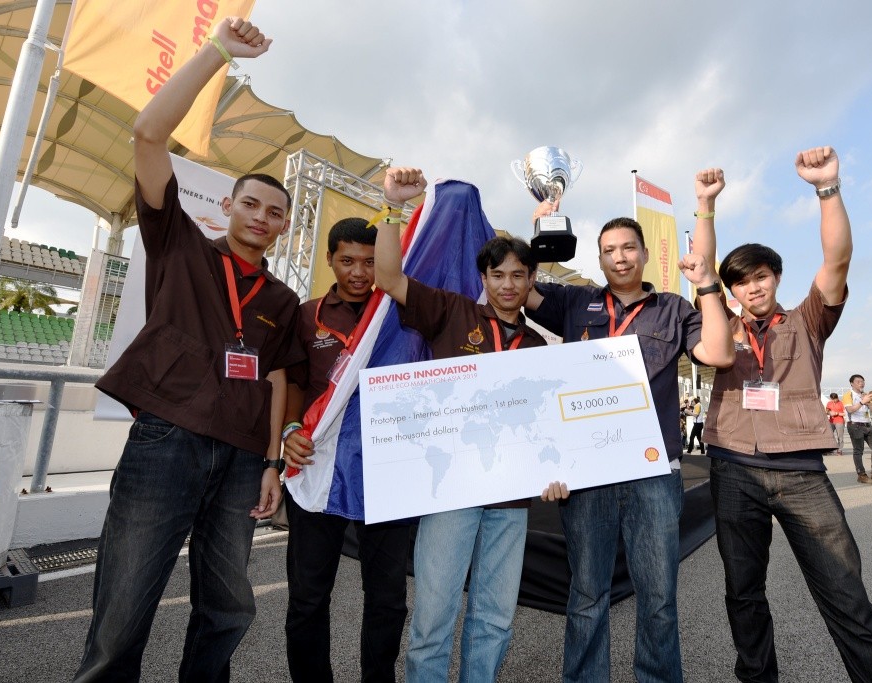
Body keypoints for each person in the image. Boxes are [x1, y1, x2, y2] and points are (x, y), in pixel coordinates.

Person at [74, 18, 304, 682]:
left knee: (229, 606)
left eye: (274, 211)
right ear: (228, 206)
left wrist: (268, 462)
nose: (261, 216)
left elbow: (278, 380)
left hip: (238, 461)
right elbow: (147, 133)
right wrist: (217, 54)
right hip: (165, 441)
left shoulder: (282, 299)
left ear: (284, 224)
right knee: (122, 612)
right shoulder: (178, 242)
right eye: (251, 203)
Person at [695, 146, 872, 682]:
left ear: (776, 277)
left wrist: (826, 188)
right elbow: (702, 272)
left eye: (761, 276)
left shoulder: (808, 319)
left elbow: (837, 261)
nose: (753, 287)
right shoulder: (721, 327)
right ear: (732, 290)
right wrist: (706, 205)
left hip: (802, 473)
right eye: (741, 281)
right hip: (733, 467)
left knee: (845, 594)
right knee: (743, 593)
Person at [534, 167, 734, 682]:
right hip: (589, 474)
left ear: (644, 254)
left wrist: (707, 286)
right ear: (598, 259)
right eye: (608, 250)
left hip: (653, 472)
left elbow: (717, 353)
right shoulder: (575, 303)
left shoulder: (672, 309)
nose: (619, 257)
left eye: (627, 247)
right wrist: (538, 229)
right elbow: (520, 292)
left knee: (659, 598)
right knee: (586, 595)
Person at [373, 167, 568, 682]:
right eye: (498, 275)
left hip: (511, 501)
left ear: (530, 283)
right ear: (483, 279)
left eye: (518, 276)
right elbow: (388, 278)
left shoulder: (538, 348)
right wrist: (393, 207)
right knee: (435, 618)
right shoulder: (451, 313)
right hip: (450, 495)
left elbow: (547, 430)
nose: (508, 285)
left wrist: (556, 469)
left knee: (496, 619)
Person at [280, 219, 410, 681]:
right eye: (347, 260)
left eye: (371, 262)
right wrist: (291, 428)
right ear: (330, 259)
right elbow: (294, 382)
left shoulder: (399, 312)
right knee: (309, 596)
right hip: (319, 467)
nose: (358, 272)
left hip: (388, 471)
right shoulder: (307, 313)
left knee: (388, 596)